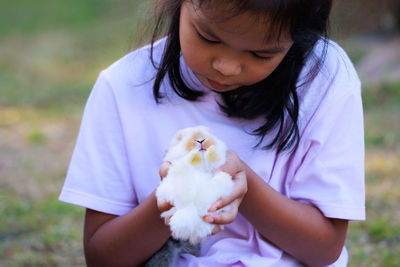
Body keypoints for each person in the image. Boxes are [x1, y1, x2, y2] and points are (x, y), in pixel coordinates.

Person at [59, 0, 365, 266]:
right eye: (208, 37)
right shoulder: (122, 87)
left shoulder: (323, 79)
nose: (227, 66)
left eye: (261, 54)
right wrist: (173, 197)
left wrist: (243, 187)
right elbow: (102, 257)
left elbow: (325, 249)